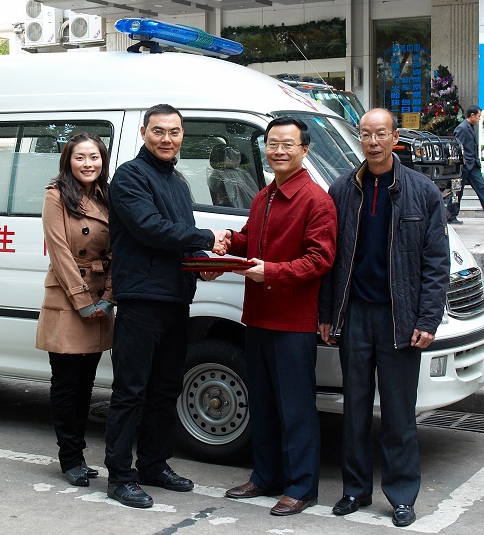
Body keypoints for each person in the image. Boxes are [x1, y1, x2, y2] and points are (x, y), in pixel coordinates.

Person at [319, 108, 450, 528]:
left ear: (396, 138)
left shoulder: (422, 191)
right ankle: (355, 490)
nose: (372, 142)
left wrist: (428, 319)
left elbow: (436, 262)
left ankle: (402, 495)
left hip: (400, 318)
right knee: (355, 409)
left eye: (380, 134)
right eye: (365, 134)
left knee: (398, 413)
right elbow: (330, 259)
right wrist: (327, 314)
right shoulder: (342, 189)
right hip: (355, 314)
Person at [104, 104, 230, 509]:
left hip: (176, 298)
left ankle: (154, 465)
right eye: (158, 131)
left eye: (174, 132)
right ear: (144, 132)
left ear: (182, 135)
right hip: (141, 300)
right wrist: (206, 238)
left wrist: (202, 263)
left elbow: (179, 237)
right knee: (131, 391)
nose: (166, 139)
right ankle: (120, 476)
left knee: (165, 390)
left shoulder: (176, 181)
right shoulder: (129, 176)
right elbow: (150, 229)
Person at [223, 117, 338, 517]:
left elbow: (320, 259)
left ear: (305, 149)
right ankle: (265, 476)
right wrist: (228, 242)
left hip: (292, 321)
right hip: (257, 316)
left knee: (296, 408)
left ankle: (302, 487)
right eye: (272, 143)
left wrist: (271, 272)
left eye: (288, 144)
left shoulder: (316, 200)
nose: (279, 151)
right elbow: (250, 240)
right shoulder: (264, 196)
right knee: (263, 404)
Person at [35, 133, 115, 487]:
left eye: (94, 157)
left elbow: (117, 250)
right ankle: (70, 458)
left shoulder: (106, 195)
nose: (88, 164)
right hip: (68, 298)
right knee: (67, 383)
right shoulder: (56, 195)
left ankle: (78, 455)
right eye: (80, 157)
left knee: (86, 384)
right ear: (68, 161)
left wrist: (109, 296)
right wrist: (83, 301)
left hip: (100, 297)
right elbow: (60, 253)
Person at [447, 105, 484, 225]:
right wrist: (462, 163)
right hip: (464, 166)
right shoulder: (462, 128)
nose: (479, 119)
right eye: (478, 116)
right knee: (457, 191)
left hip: (473, 166)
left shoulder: (469, 127)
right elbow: (458, 148)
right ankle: (450, 215)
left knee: (482, 189)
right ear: (472, 115)